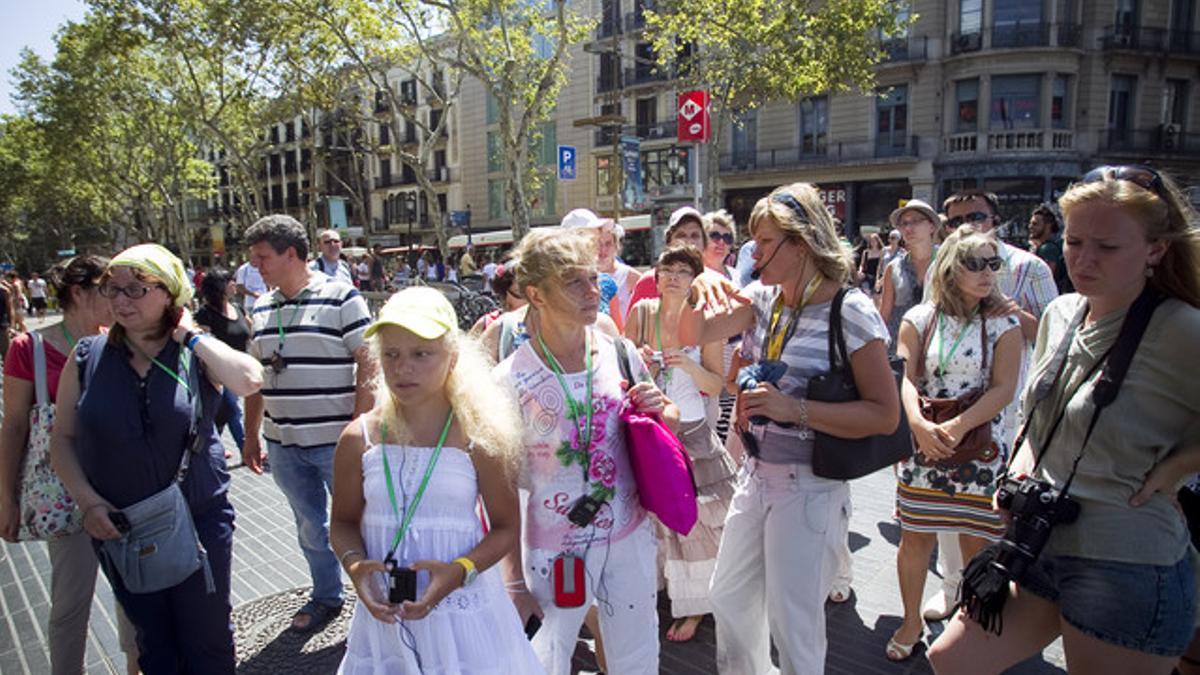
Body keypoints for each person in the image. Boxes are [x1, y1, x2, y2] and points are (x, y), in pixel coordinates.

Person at [929, 167, 1200, 673]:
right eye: (1074, 241)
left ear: (1156, 249)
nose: (1082, 258)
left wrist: (1177, 466)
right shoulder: (1063, 312)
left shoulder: (1182, 328)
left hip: (1125, 561)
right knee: (951, 659)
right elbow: (1043, 409)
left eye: (1107, 246)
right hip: (1041, 538)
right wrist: (1022, 468)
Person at [681, 183, 899, 674]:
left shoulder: (852, 310)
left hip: (810, 486)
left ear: (801, 243)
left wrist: (792, 410)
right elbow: (691, 333)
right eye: (753, 242)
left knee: (793, 624)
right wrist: (699, 286)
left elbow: (884, 414)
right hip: (755, 476)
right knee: (730, 598)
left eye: (764, 242)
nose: (753, 253)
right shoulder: (763, 299)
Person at [49, 244, 263, 674]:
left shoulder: (194, 353)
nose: (121, 300)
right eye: (113, 289)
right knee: (154, 646)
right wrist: (88, 502)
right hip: (123, 528)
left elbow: (249, 379)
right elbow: (62, 440)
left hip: (198, 522)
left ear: (170, 293)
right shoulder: (88, 356)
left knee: (208, 642)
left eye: (137, 289)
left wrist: (192, 335)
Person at [330, 288, 543, 673]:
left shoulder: (480, 437)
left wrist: (459, 570)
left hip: (465, 614)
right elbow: (342, 523)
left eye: (420, 354)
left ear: (452, 358)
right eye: (391, 354)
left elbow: (507, 528)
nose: (402, 367)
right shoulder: (358, 438)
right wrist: (356, 566)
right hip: (387, 619)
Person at [496, 228, 677, 675]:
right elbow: (498, 486)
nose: (592, 290)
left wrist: (660, 411)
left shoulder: (618, 351)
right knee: (543, 661)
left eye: (593, 278)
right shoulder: (508, 381)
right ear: (535, 294)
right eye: (574, 281)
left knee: (636, 658)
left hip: (629, 535)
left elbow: (667, 417)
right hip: (553, 550)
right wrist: (514, 580)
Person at [921, 189, 1059, 623]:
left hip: (1008, 409)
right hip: (944, 410)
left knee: (994, 512)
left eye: (976, 214)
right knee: (946, 506)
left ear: (994, 218)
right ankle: (951, 587)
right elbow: (926, 325)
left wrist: (1008, 312)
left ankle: (988, 591)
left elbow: (1052, 339)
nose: (967, 222)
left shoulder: (1030, 267)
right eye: (956, 217)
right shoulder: (942, 266)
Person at [0, 256, 141, 675]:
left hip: (122, 489)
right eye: (107, 289)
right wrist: (5, 497)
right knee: (70, 603)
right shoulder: (30, 348)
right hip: (64, 497)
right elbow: (13, 427)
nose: (116, 299)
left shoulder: (120, 342)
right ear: (79, 293)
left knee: (134, 596)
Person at [887, 226, 1023, 661]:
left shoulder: (1004, 321)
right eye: (975, 263)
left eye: (993, 263)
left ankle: (970, 623)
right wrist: (918, 425)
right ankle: (910, 621)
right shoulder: (920, 318)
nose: (986, 273)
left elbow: (1004, 388)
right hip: (925, 446)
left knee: (975, 543)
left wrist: (960, 425)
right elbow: (904, 379)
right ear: (950, 267)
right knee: (915, 539)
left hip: (978, 449)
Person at [241, 215, 377, 633]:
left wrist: (359, 427)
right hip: (283, 444)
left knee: (363, 526)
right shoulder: (262, 306)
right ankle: (326, 596)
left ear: (292, 254)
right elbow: (255, 378)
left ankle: (376, 598)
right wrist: (250, 436)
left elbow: (370, 365)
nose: (256, 268)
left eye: (263, 258)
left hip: (337, 444)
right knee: (309, 527)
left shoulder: (342, 297)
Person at [625, 245, 735, 643]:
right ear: (655, 275)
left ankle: (698, 606)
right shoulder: (641, 313)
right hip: (651, 431)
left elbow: (716, 385)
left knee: (696, 524)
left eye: (683, 270)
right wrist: (643, 360)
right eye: (666, 268)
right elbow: (623, 368)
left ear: (694, 278)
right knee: (653, 520)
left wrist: (688, 364)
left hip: (690, 431)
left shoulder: (704, 319)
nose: (673, 276)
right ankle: (662, 590)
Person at [195, 267, 252, 456]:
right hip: (216, 372)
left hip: (239, 369)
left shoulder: (237, 308)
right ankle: (246, 449)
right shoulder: (205, 314)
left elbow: (250, 331)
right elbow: (201, 345)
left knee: (221, 413)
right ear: (220, 286)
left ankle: (211, 445)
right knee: (231, 408)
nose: (234, 284)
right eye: (230, 281)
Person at [880, 200, 939, 353]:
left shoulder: (947, 262)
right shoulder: (893, 268)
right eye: (903, 223)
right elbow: (884, 316)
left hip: (938, 349)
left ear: (931, 226)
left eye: (916, 221)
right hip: (901, 351)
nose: (908, 228)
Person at [628, 206, 711, 311]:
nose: (689, 241)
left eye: (695, 236)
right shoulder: (649, 281)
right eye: (681, 235)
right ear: (669, 241)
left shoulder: (714, 283)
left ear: (704, 243)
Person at [471, 262, 525, 336]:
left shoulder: (540, 325)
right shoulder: (486, 324)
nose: (529, 301)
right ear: (504, 294)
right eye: (521, 293)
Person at [1029, 204, 1073, 294]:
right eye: (1030, 223)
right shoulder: (1054, 245)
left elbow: (1044, 280)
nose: (1030, 227)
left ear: (1048, 226)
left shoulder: (1048, 249)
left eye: (1035, 224)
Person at [703, 210, 739, 280]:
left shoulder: (737, 277)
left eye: (727, 238)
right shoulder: (692, 276)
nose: (721, 242)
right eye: (715, 236)